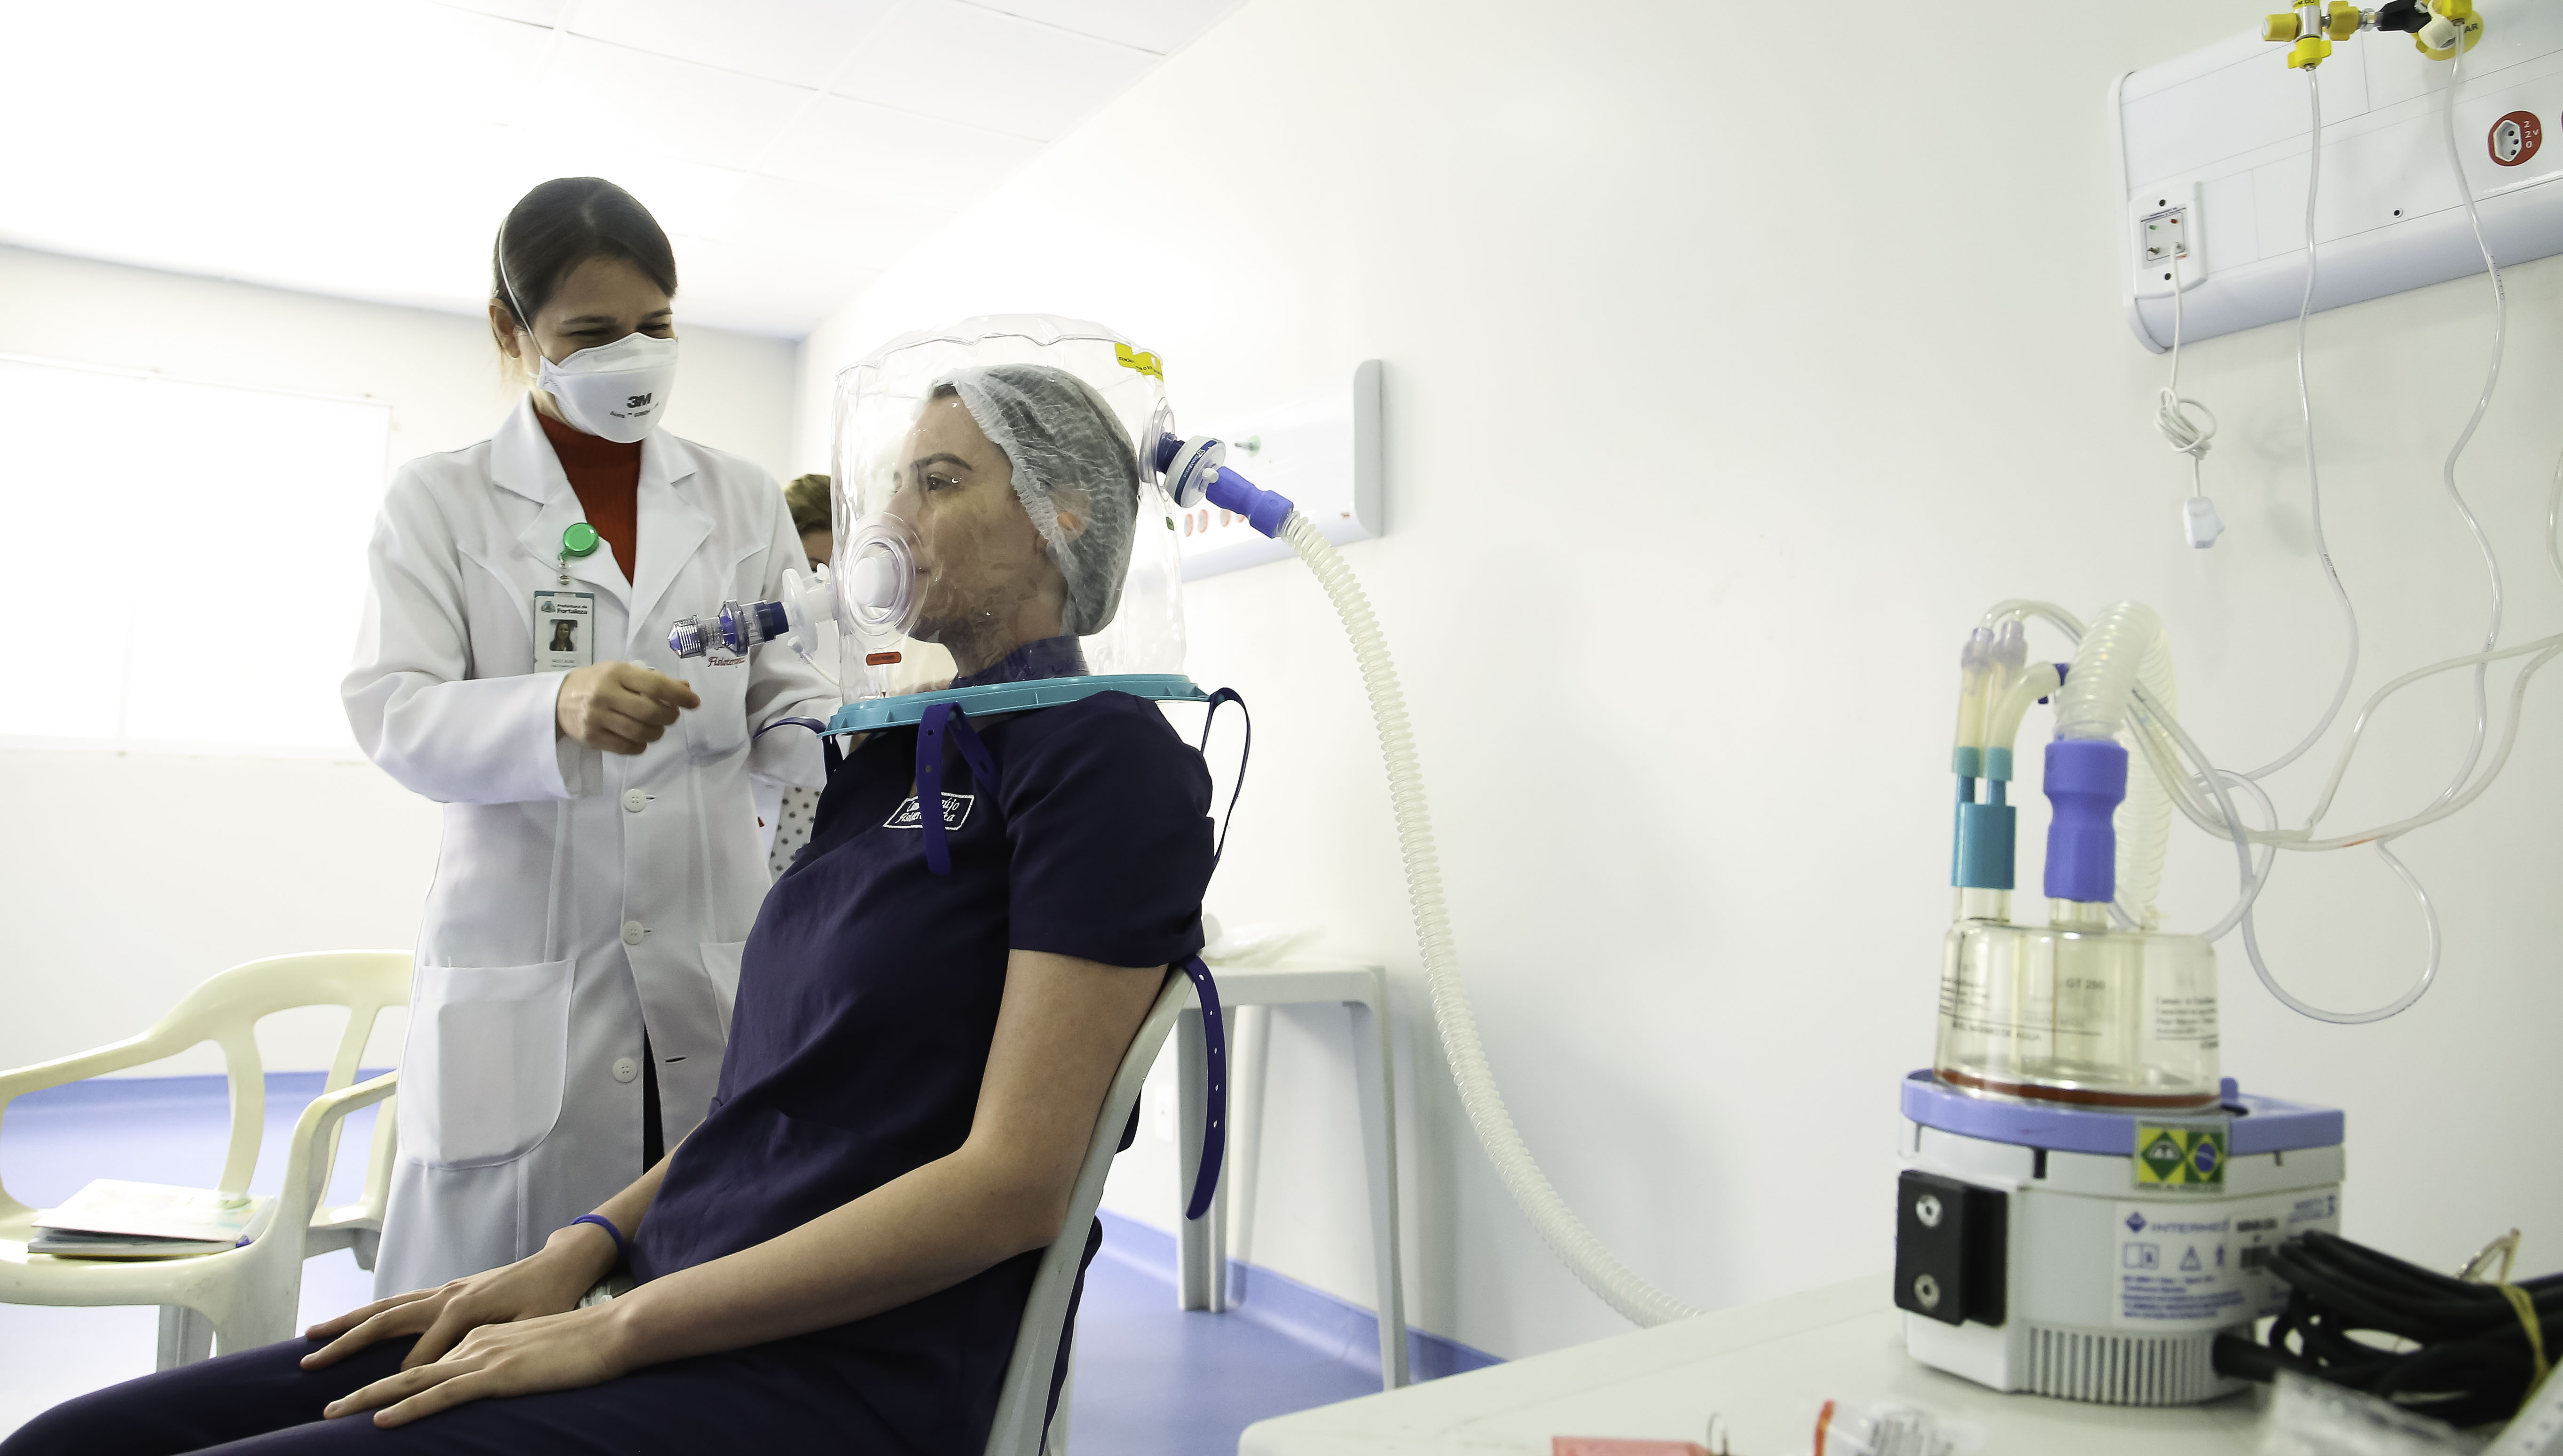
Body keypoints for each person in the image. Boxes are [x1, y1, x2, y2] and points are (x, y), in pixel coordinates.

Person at [4, 361, 1214, 1456]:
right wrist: (573, 1252)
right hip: (666, 1297)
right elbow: (766, 1108)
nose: (887, 523)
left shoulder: (1106, 760)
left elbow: (1013, 1183)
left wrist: (621, 1327)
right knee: (75, 1439)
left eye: (938, 482)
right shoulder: (888, 759)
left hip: (836, 1367)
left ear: (1063, 516)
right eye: (889, 484)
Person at [335, 177, 836, 1299]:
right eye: (592, 335)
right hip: (530, 979)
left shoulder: (742, 496)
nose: (634, 358)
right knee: (486, 1321)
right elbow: (391, 709)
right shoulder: (442, 501)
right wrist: (549, 707)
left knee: (700, 1301)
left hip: (708, 958)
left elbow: (785, 688)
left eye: (655, 328)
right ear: (513, 333)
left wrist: (849, 739)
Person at [763, 473, 833, 876]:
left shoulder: (874, 627)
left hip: (832, 811)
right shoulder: (763, 628)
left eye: (838, 567)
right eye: (811, 568)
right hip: (769, 809)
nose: (826, 587)